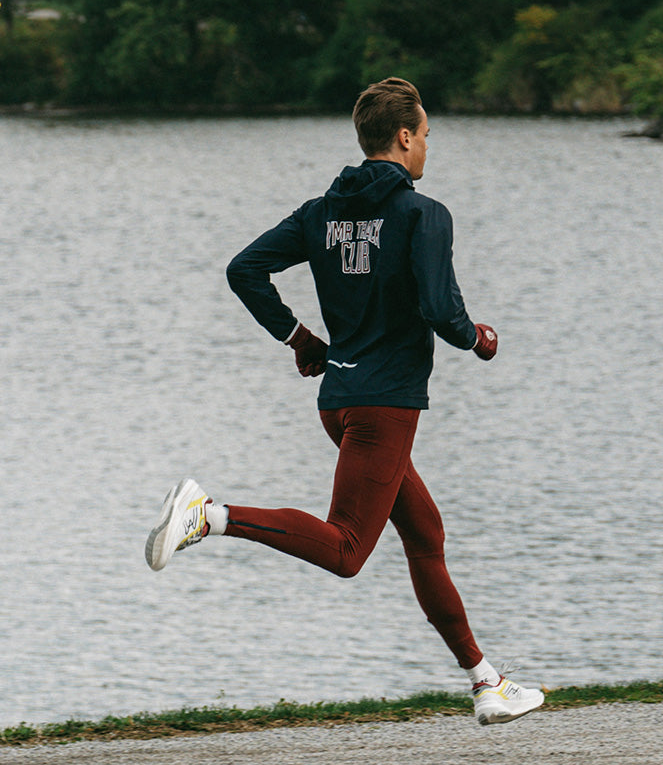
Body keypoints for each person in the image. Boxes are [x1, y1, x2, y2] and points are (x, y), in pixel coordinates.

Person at [145, 77, 544, 726]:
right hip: (384, 407)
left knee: (425, 534)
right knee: (347, 549)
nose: (427, 150)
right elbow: (443, 311)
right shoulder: (423, 214)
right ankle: (209, 514)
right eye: (426, 137)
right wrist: (480, 339)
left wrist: (300, 338)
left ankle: (485, 681)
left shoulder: (319, 213)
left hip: (341, 401)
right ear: (406, 136)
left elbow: (244, 270)